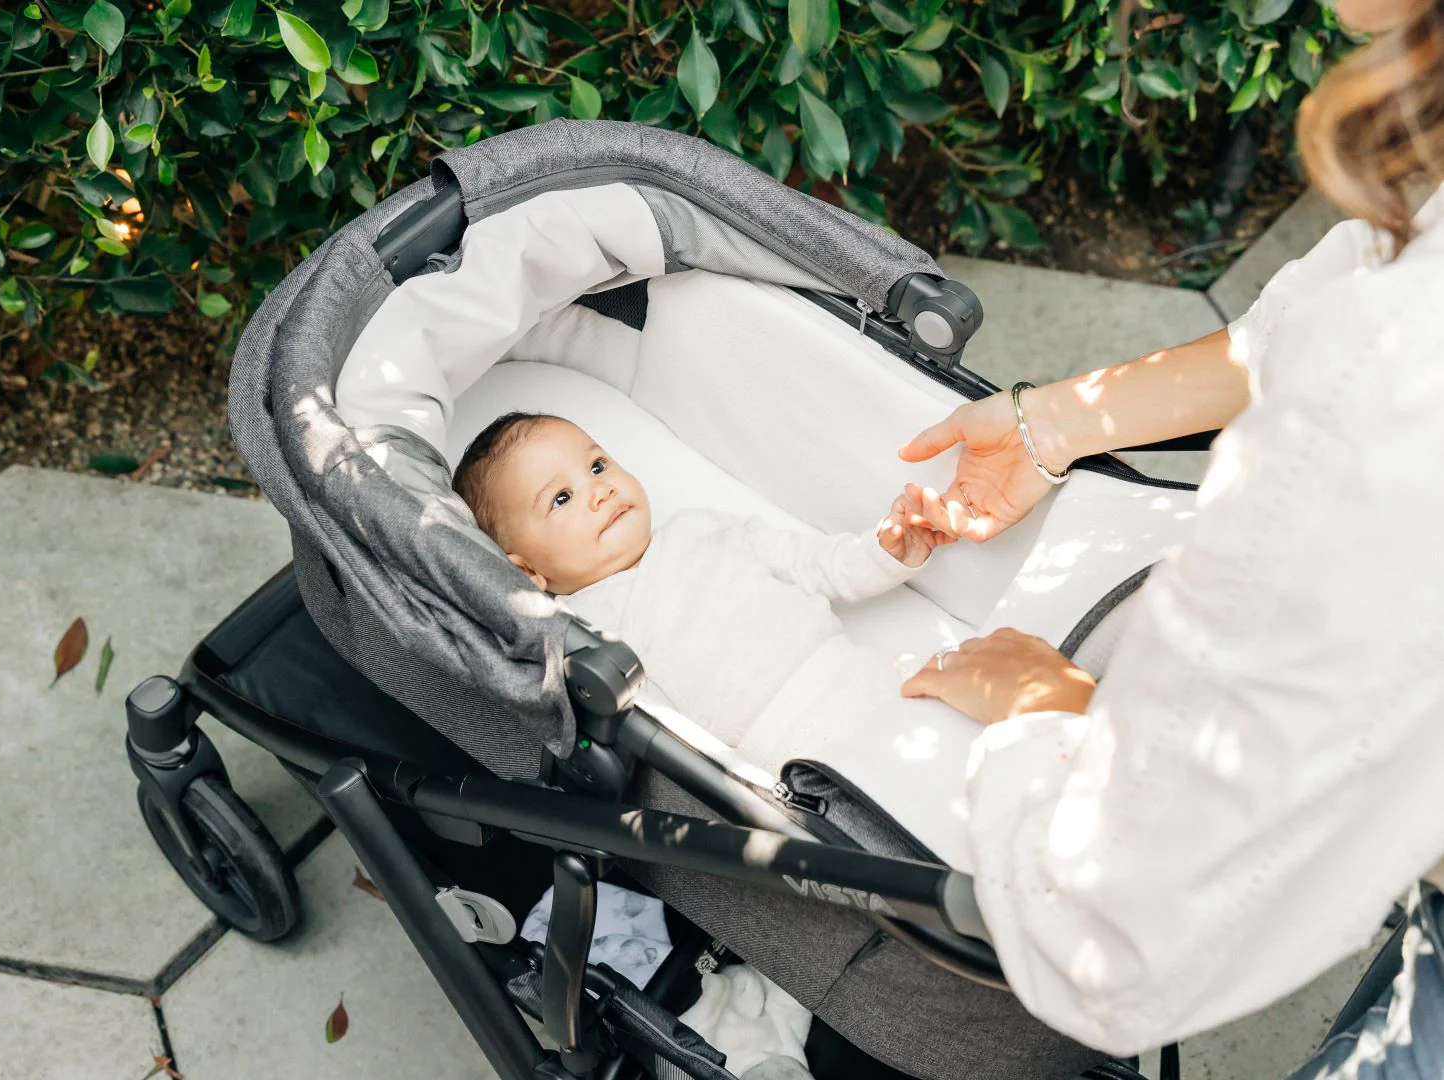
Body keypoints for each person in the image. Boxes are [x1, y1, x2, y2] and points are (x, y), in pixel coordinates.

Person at [889, 0, 1444, 1059]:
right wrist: (1047, 423)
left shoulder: (1396, 397)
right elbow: (1308, 327)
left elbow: (1112, 954)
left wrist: (1047, 713)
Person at [452, 411, 950, 767]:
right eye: (562, 498)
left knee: (952, 746)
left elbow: (815, 564)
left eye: (597, 466)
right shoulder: (580, 633)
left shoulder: (703, 528)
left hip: (855, 673)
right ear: (528, 573)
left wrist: (886, 551)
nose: (600, 489)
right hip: (785, 750)